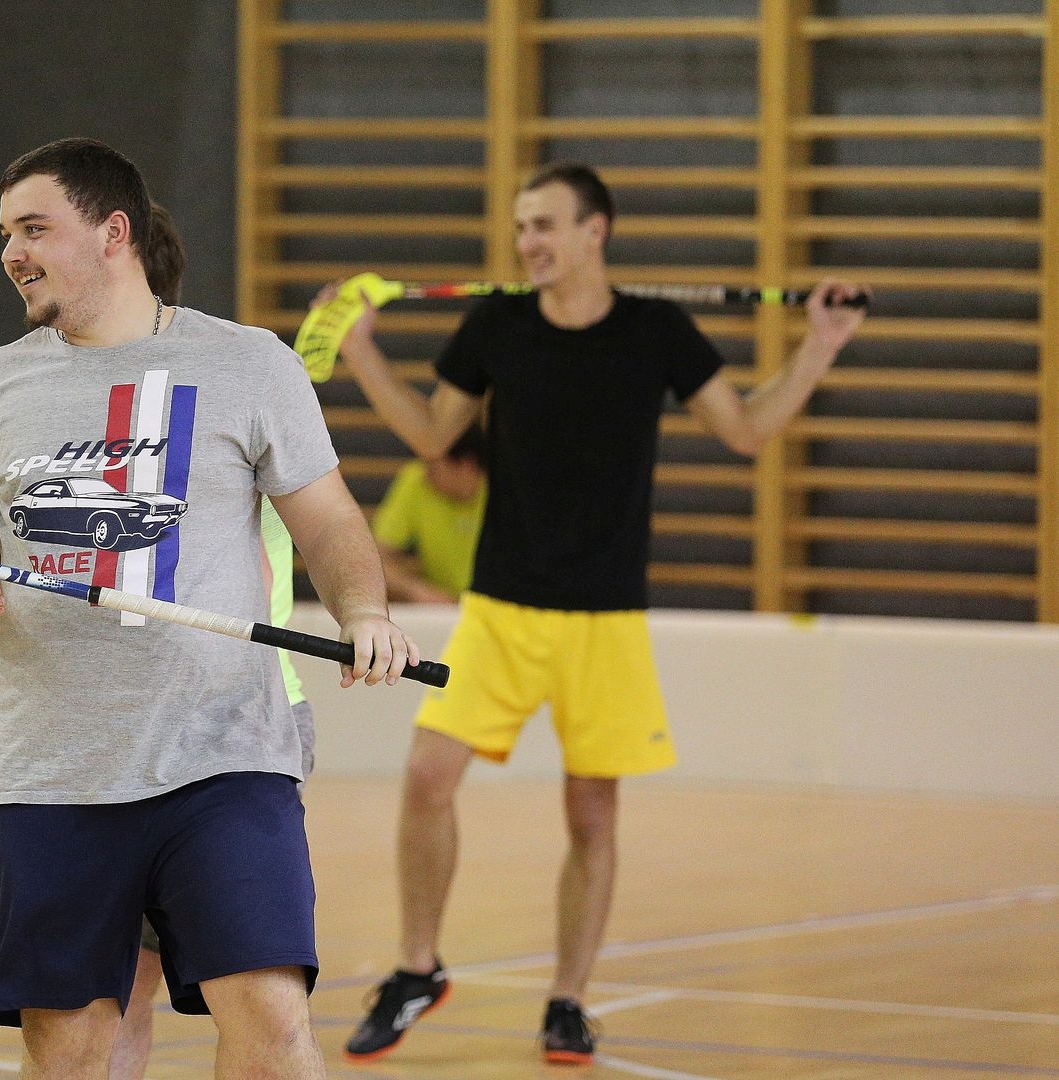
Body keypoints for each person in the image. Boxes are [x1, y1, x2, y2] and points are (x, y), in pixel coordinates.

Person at [332, 162, 868, 1065]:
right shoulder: (497, 325)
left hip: (606, 619)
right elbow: (430, 434)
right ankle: (417, 968)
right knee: (427, 777)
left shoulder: (656, 331)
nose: (528, 242)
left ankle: (568, 1001)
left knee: (591, 818)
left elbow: (745, 430)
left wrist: (821, 344)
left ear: (595, 231)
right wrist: (359, 351)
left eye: (544, 225)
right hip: (502, 610)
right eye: (521, 227)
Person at [0, 137, 418, 1080]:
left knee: (272, 1020)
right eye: (6, 234)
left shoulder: (250, 363)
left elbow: (327, 518)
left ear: (114, 233)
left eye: (34, 229)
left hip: (224, 755)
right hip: (46, 771)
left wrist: (364, 611)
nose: (12, 253)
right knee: (72, 1046)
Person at [107, 201, 320, 1080]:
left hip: (233, 729)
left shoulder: (208, 393)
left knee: (253, 998)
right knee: (120, 990)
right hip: (128, 730)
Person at [371, 425, 487, 605]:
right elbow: (375, 559)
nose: (426, 471)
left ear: (466, 466)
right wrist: (415, 590)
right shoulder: (416, 481)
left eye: (432, 464)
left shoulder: (507, 489)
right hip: (441, 610)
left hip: (497, 608)